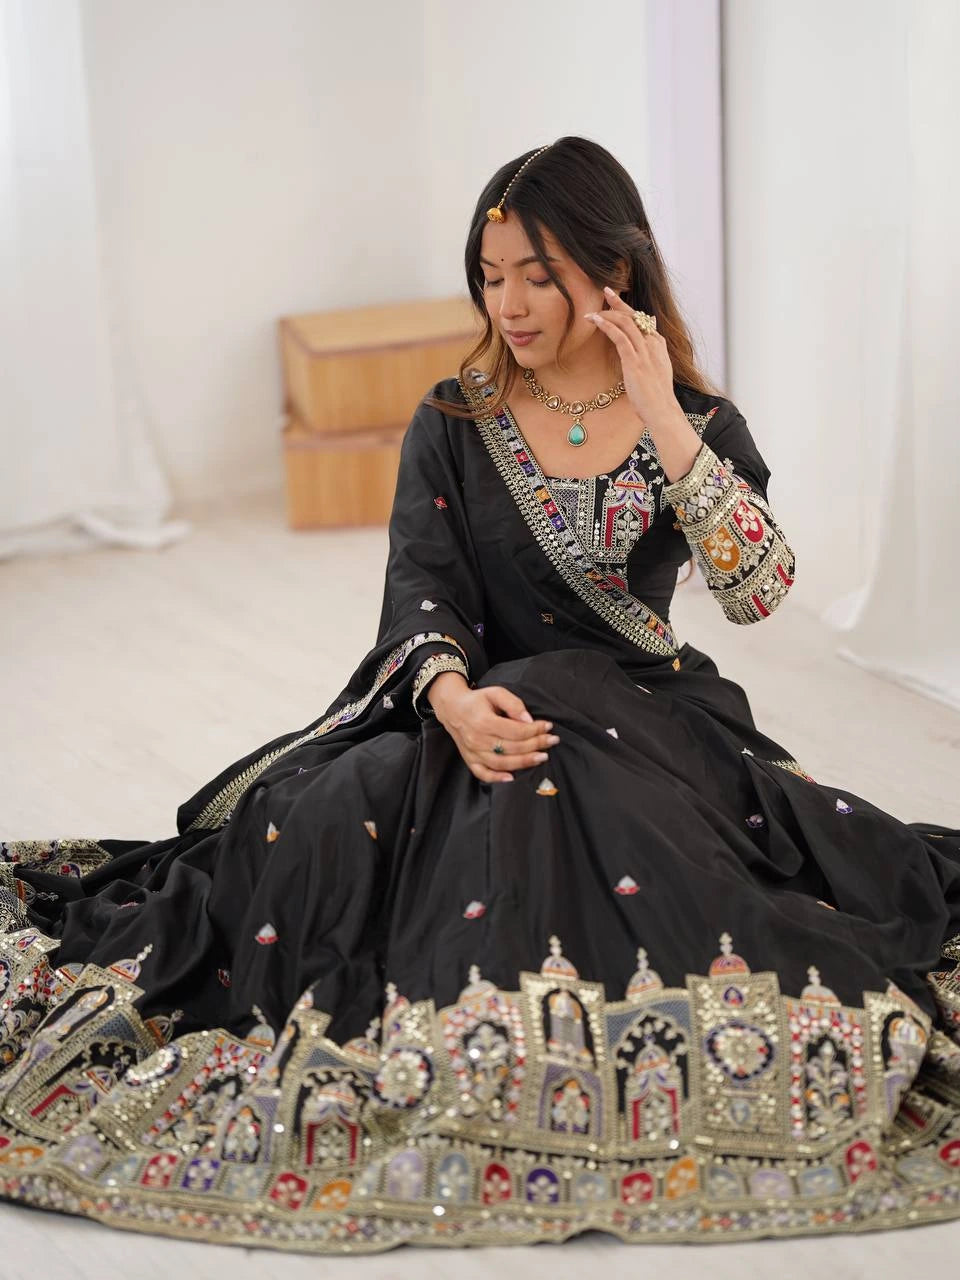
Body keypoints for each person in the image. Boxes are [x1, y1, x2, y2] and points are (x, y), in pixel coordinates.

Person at [1, 135, 959, 1255]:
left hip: (646, 719)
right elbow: (423, 584)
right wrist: (448, 695)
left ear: (613, 267)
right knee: (309, 826)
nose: (508, 301)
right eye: (491, 274)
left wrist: (659, 407)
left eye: (538, 274)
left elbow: (760, 594)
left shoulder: (693, 422)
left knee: (636, 856)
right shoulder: (454, 420)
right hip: (460, 708)